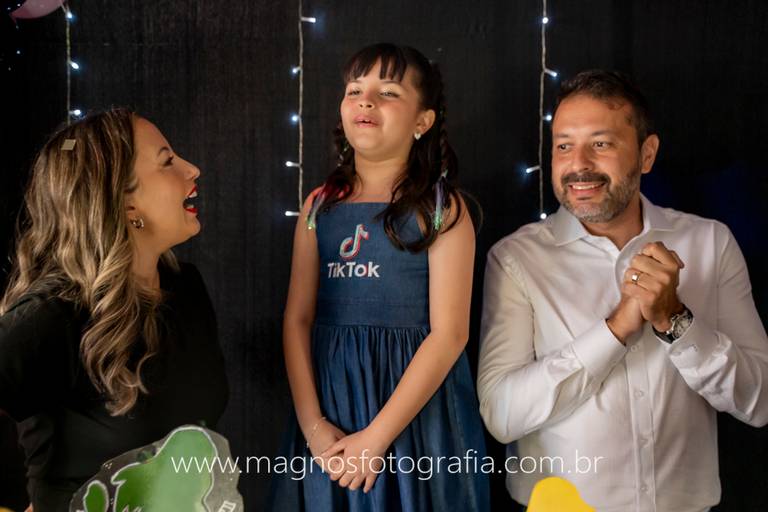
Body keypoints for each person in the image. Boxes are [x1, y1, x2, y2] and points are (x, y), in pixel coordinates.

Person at [477, 70, 768, 512]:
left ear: (646, 154)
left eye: (601, 143)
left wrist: (676, 322)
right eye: (563, 146)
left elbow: (760, 401)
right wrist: (614, 331)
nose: (579, 164)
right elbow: (502, 415)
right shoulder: (516, 259)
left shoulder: (711, 243)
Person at [268, 43, 490, 511]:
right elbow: (296, 320)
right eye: (355, 90)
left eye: (387, 92)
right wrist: (313, 428)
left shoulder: (442, 209)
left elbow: (450, 334)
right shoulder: (318, 207)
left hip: (413, 417)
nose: (366, 101)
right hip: (331, 411)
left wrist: (376, 438)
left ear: (422, 121)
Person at [0, 108, 228, 511]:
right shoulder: (54, 316)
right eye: (167, 161)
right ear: (125, 205)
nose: (192, 169)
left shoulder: (184, 286)